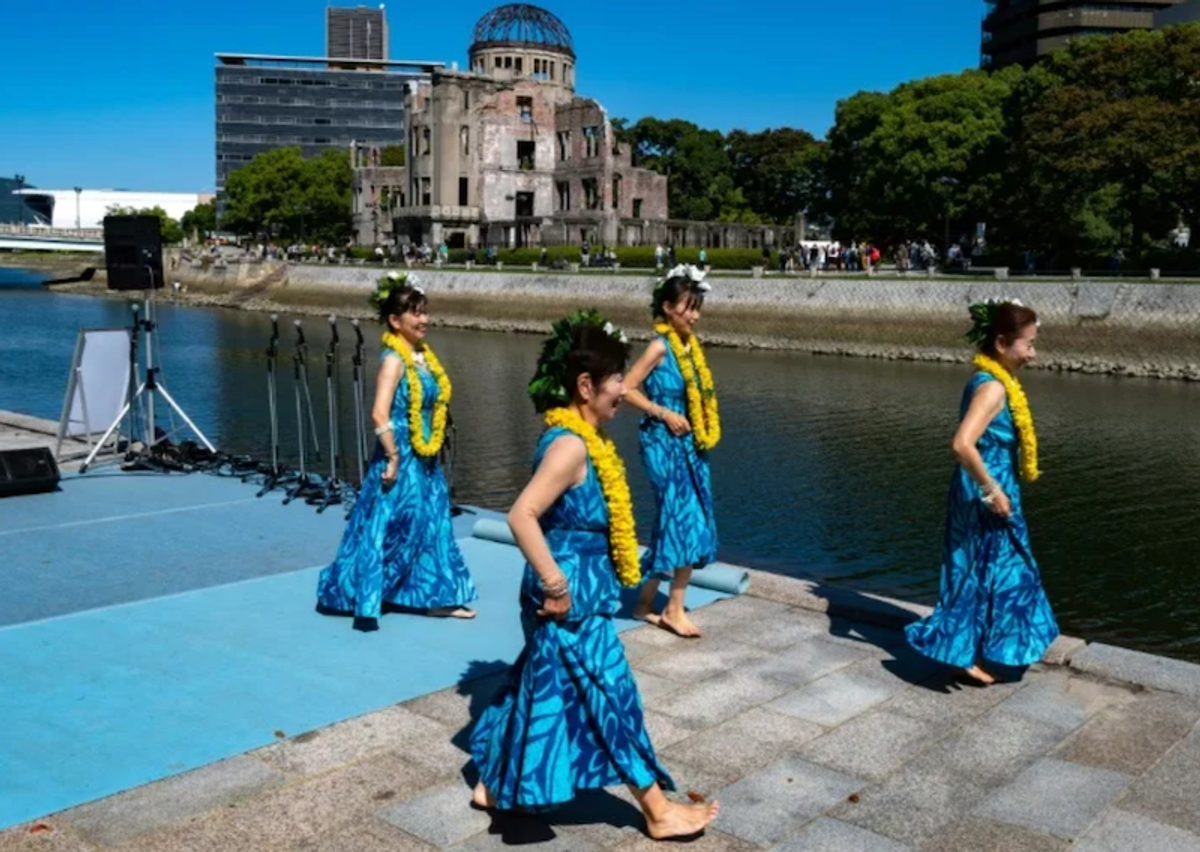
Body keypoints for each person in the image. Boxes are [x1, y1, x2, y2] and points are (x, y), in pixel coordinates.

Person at [470, 311, 719, 839]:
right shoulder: (571, 445)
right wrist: (557, 587)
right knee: (611, 694)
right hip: (569, 593)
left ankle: (494, 783)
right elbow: (521, 516)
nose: (622, 393)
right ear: (585, 386)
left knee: (546, 684)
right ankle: (657, 811)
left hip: (576, 586)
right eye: (614, 384)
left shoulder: (586, 437)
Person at [905, 299, 1058, 684]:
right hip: (985, 494)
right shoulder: (991, 389)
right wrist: (993, 491)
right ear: (1003, 343)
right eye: (1028, 344)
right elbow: (961, 444)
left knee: (982, 569)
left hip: (985, 491)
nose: (1033, 354)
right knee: (1002, 571)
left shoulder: (991, 380)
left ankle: (970, 648)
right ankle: (964, 649)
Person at [316, 273, 477, 631]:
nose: (424, 320)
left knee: (432, 524)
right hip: (401, 453)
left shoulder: (423, 357)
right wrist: (392, 456)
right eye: (415, 313)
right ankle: (365, 593)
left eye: (424, 312)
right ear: (394, 320)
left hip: (426, 457)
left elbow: (433, 401)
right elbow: (379, 412)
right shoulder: (394, 360)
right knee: (391, 526)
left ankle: (436, 597)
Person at [623, 265, 720, 638]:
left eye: (697, 309)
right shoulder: (659, 346)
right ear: (667, 308)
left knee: (680, 520)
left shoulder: (689, 348)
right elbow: (626, 389)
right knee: (682, 519)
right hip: (662, 443)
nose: (694, 316)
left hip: (690, 445)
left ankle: (645, 603)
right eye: (687, 308)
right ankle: (674, 609)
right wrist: (661, 411)